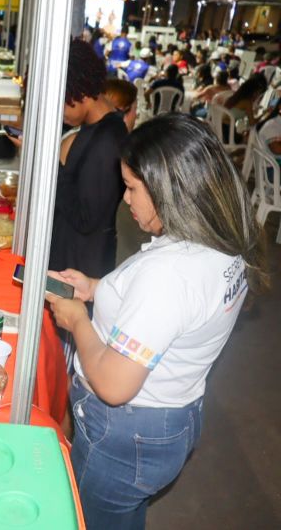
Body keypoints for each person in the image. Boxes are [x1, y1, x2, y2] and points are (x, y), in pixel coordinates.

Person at [46, 113, 267, 529]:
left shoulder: (169, 275)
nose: (124, 198)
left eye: (131, 187)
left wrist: (77, 320)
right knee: (123, 515)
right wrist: (95, 290)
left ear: (171, 189)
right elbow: (175, 316)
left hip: (124, 432)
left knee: (93, 519)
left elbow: (113, 385)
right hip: (171, 419)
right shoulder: (222, 241)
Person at [51, 39, 127, 278]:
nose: (60, 112)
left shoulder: (108, 141)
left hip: (80, 268)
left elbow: (86, 219)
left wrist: (55, 167)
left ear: (81, 93)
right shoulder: (93, 127)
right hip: (71, 259)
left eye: (61, 102)